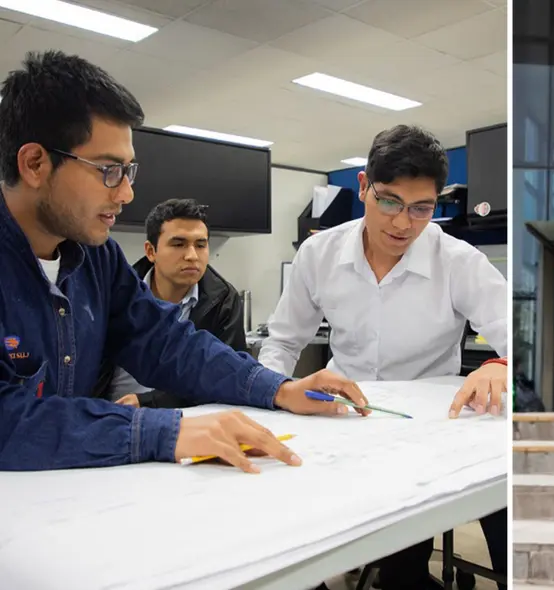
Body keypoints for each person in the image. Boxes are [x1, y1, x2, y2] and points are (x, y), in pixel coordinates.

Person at [0, 50, 370, 474]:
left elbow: (166, 342)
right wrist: (164, 431)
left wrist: (280, 388)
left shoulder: (95, 258)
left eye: (128, 172)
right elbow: (9, 420)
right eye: (108, 171)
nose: (125, 194)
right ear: (34, 164)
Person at [258, 124, 507, 590]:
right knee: (282, 528)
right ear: (363, 188)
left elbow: (520, 338)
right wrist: (272, 393)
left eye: (420, 209)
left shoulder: (458, 261)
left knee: (436, 537)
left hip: (426, 429)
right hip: (342, 418)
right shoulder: (319, 253)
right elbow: (283, 341)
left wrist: (500, 364)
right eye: (389, 201)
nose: (401, 223)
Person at [91, 198, 247, 409]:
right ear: (150, 251)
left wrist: (148, 402)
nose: (192, 256)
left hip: (183, 419)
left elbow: (226, 381)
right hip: (108, 415)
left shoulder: (223, 301)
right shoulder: (117, 291)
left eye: (200, 245)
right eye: (178, 244)